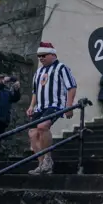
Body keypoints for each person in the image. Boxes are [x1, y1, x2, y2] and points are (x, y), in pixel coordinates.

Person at [27, 42, 77, 175]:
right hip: (40, 107)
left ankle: (48, 160)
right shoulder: (38, 71)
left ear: (53, 55)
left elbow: (71, 87)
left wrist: (69, 106)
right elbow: (35, 91)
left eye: (44, 55)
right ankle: (42, 163)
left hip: (55, 104)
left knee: (43, 126)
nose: (41, 58)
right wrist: (32, 106)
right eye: (39, 56)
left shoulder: (61, 68)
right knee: (32, 133)